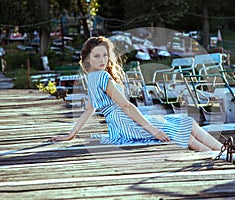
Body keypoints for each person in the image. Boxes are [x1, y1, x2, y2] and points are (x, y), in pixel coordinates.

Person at [48, 36, 222, 151]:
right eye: (96, 56)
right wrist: (152, 130)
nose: (102, 60)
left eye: (105, 55)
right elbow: (125, 106)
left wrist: (72, 134)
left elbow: (89, 109)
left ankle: (221, 153)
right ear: (88, 58)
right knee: (185, 129)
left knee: (186, 127)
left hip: (118, 127)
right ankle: (221, 155)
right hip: (127, 124)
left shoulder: (91, 77)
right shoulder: (101, 76)